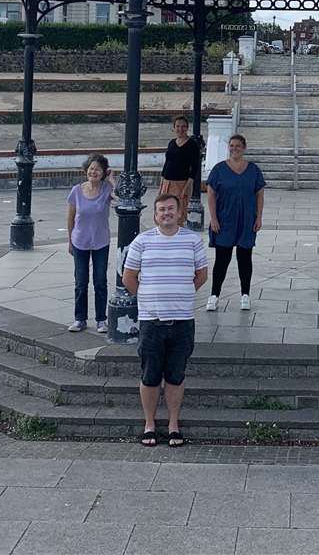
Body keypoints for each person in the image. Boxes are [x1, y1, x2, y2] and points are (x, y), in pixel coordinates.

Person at [122, 190, 208, 447]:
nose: (167, 213)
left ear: (179, 212)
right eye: (162, 210)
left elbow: (201, 275)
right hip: (151, 321)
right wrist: (148, 298)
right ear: (155, 215)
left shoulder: (192, 241)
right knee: (149, 375)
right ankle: (149, 423)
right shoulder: (142, 241)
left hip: (181, 321)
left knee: (175, 375)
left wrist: (179, 294)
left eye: (171, 209)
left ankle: (173, 424)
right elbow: (128, 277)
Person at [204, 134, 265, 311]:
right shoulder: (219, 169)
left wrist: (259, 217)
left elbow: (259, 194)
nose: (234, 148)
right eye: (232, 145)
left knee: (245, 258)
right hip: (225, 220)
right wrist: (213, 218)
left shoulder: (253, 170)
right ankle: (214, 295)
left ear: (244, 148)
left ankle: (245, 295)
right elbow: (211, 194)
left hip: (246, 220)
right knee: (222, 259)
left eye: (238, 146)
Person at [66, 153, 113, 333]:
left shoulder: (107, 188)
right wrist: (70, 241)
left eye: (98, 169)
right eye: (91, 169)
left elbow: (120, 198)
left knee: (100, 281)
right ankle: (80, 319)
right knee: (81, 282)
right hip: (80, 242)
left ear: (103, 172)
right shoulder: (76, 191)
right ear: (86, 170)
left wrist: (112, 180)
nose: (94, 172)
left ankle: (101, 319)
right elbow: (70, 218)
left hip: (101, 241)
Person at [160, 115, 203, 224]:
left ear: (187, 128)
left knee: (178, 213)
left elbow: (194, 168)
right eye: (178, 126)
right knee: (165, 211)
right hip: (167, 182)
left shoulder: (192, 144)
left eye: (183, 126)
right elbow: (167, 162)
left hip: (182, 183)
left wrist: (187, 187)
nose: (180, 129)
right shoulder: (171, 143)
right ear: (174, 128)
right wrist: (162, 183)